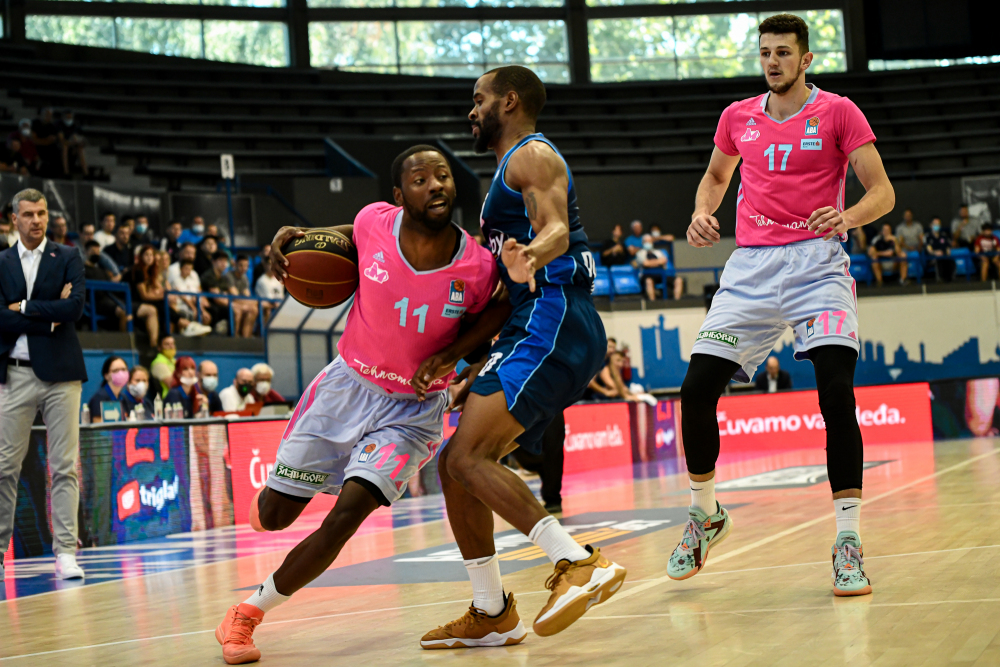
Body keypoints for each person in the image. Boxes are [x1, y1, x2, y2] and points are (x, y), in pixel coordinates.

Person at [214, 144, 504, 664]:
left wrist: (453, 358)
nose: (435, 185)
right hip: (346, 389)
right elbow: (346, 236)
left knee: (346, 516)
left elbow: (498, 312)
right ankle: (270, 500)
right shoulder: (374, 222)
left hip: (411, 414)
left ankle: (246, 614)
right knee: (276, 517)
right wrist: (295, 236)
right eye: (420, 179)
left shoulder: (478, 266)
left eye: (442, 175)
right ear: (399, 196)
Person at [673, 14, 895, 597]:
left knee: (835, 392)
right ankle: (704, 515)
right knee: (695, 389)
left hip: (817, 265)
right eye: (765, 52)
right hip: (750, 268)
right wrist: (702, 212)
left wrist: (846, 216)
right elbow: (715, 176)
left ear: (806, 59)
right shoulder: (737, 117)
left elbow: (882, 192)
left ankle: (848, 541)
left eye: (783, 53)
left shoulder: (839, 112)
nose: (772, 62)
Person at [415, 66, 626, 649]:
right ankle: (491, 610)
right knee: (455, 466)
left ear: (509, 101)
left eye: (478, 99)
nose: (471, 110)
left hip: (553, 314)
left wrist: (531, 255)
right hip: (530, 321)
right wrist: (468, 357)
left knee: (468, 456)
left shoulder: (531, 155)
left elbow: (554, 228)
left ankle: (577, 562)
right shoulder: (506, 172)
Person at [0, 188, 89, 581]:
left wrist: (23, 307)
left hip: (62, 374)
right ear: (14, 219)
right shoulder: (1, 262)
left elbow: (75, 308)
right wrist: (49, 316)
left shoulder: (67, 256)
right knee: (4, 466)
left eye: (41, 213)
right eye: (28, 214)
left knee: (64, 465)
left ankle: (66, 551)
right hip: (15, 371)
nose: (36, 220)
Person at [511, 411, 565, 514]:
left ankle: (553, 500)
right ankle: (541, 465)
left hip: (553, 406)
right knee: (516, 442)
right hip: (522, 407)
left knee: (553, 450)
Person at [83, 241, 131, 331]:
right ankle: (124, 339)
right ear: (86, 252)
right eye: (93, 251)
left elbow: (110, 285)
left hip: (107, 299)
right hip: (93, 302)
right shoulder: (81, 269)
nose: (96, 253)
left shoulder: (102, 271)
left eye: (97, 251)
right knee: (123, 313)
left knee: (129, 312)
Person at [128, 244, 162, 347]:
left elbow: (160, 289)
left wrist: (164, 294)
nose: (149, 257)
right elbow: (144, 296)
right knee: (152, 310)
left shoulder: (150, 272)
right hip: (127, 302)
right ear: (140, 257)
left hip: (139, 302)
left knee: (165, 306)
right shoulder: (138, 270)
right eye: (146, 255)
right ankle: (154, 344)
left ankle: (165, 339)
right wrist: (162, 296)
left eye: (151, 255)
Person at [169, 258, 212, 335]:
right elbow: (184, 298)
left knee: (207, 317)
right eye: (186, 268)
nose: (188, 271)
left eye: (190, 269)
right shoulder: (175, 280)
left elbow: (195, 297)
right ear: (181, 268)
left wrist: (202, 310)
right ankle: (183, 335)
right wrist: (194, 309)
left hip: (194, 305)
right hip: (180, 306)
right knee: (188, 314)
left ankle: (201, 335)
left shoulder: (192, 280)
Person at [635, 233, 683, 300]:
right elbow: (645, 263)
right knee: (648, 281)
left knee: (678, 280)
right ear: (643, 243)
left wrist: (651, 263)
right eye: (646, 241)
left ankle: (676, 302)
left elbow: (664, 260)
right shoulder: (640, 253)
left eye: (649, 241)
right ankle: (653, 303)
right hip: (647, 274)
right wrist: (658, 262)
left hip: (661, 274)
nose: (648, 243)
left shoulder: (658, 252)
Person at [87, 355, 130, 423]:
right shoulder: (99, 398)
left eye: (123, 369)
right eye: (116, 370)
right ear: (106, 375)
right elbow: (98, 426)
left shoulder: (124, 398)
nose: (121, 373)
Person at [229, 255, 260, 338]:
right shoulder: (228, 276)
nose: (244, 268)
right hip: (230, 304)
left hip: (241, 303)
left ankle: (246, 338)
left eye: (246, 266)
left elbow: (247, 295)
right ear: (235, 264)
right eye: (241, 265)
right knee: (248, 307)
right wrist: (249, 303)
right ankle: (235, 338)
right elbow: (235, 296)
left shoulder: (244, 278)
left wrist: (248, 303)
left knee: (254, 309)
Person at [32, 108, 63, 178]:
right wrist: (45, 140)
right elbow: (34, 140)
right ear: (41, 114)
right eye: (46, 114)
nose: (48, 117)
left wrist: (41, 141)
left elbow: (51, 141)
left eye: (50, 115)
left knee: (56, 152)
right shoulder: (35, 123)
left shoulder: (52, 126)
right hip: (36, 147)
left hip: (47, 149)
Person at [58, 109, 88, 177]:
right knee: (65, 147)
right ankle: (66, 172)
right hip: (61, 147)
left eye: (70, 117)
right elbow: (62, 140)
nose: (69, 119)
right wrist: (72, 143)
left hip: (73, 146)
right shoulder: (59, 125)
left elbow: (82, 140)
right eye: (67, 117)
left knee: (80, 149)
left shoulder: (75, 126)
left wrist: (79, 143)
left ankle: (86, 173)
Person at [254, 258, 283, 324]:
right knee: (267, 310)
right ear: (265, 265)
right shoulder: (261, 281)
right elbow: (268, 299)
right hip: (265, 305)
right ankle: (265, 329)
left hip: (277, 304)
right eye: (270, 264)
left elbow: (281, 296)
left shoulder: (279, 280)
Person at [925, 216, 954, 282]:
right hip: (933, 258)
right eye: (935, 224)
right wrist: (935, 252)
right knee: (939, 260)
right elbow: (929, 250)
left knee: (950, 260)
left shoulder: (943, 235)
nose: (937, 226)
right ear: (931, 225)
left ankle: (950, 279)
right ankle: (940, 279)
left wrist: (948, 253)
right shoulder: (928, 237)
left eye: (938, 224)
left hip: (944, 256)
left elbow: (948, 248)